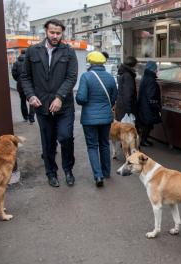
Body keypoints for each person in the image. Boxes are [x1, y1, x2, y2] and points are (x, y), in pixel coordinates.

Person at [21, 19, 78, 188]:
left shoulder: (68, 51)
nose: (55, 36)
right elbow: (25, 77)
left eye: (58, 33)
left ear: (62, 33)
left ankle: (68, 170)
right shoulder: (33, 51)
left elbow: (71, 77)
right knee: (48, 141)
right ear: (46, 31)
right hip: (41, 106)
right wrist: (30, 96)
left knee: (66, 137)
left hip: (64, 105)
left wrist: (60, 97)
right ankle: (51, 173)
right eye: (52, 32)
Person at [75, 51, 117, 187]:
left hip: (89, 119)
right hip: (106, 117)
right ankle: (107, 172)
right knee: (104, 144)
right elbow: (114, 97)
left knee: (92, 146)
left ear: (90, 62)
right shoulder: (110, 78)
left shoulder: (86, 77)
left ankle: (98, 176)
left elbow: (81, 99)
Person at [137, 61, 162, 147]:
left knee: (147, 125)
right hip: (148, 107)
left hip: (143, 105)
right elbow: (151, 95)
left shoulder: (145, 77)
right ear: (153, 69)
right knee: (148, 125)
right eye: (156, 69)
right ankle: (143, 141)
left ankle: (144, 140)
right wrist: (156, 106)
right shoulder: (151, 80)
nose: (156, 70)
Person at [11, 49, 35, 124]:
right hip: (30, 85)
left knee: (23, 101)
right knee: (32, 100)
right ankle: (31, 118)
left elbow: (14, 74)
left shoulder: (16, 63)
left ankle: (25, 117)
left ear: (20, 53)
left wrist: (18, 80)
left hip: (20, 85)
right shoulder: (30, 62)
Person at [115, 56, 138, 122]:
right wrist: (128, 111)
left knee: (123, 129)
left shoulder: (122, 73)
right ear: (133, 65)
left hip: (121, 107)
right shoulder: (128, 76)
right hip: (125, 110)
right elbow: (128, 94)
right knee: (127, 130)